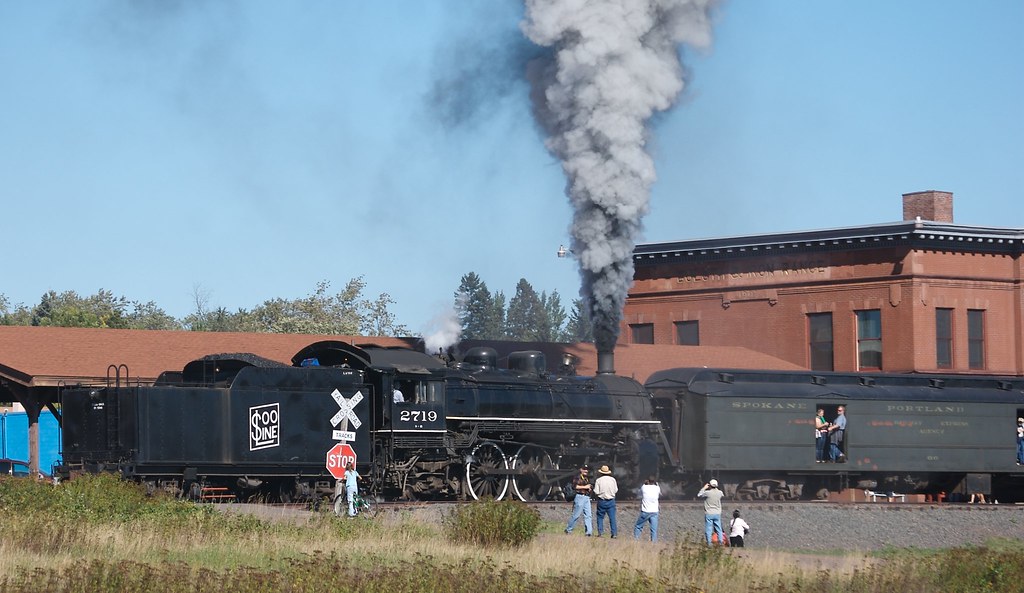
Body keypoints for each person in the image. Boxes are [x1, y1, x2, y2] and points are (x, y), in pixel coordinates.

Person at [564, 464, 593, 536]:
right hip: (580, 496)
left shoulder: (586, 478)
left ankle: (589, 532)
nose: (586, 471)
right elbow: (575, 486)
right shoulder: (577, 477)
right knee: (576, 515)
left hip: (586, 497)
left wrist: (589, 488)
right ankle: (568, 529)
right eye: (584, 469)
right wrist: (585, 486)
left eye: (587, 469)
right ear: (581, 470)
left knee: (588, 515)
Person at [697, 479, 725, 546]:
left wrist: (704, 488)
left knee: (708, 529)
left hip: (709, 513)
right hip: (717, 513)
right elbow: (722, 495)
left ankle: (709, 543)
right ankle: (720, 542)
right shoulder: (720, 493)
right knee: (719, 529)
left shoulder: (707, 493)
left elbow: (699, 495)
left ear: (710, 485)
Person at [633, 476, 661, 542]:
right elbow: (659, 491)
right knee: (654, 529)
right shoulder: (657, 488)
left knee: (638, 526)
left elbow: (639, 493)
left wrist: (645, 483)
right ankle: (654, 543)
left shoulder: (644, 487)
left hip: (645, 511)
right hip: (654, 511)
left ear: (648, 481)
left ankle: (636, 541)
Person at [593, 465, 618, 538]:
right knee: (612, 518)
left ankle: (600, 532)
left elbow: (596, 491)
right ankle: (614, 534)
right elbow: (616, 490)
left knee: (600, 517)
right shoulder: (613, 480)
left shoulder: (598, 480)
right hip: (611, 501)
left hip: (602, 500)